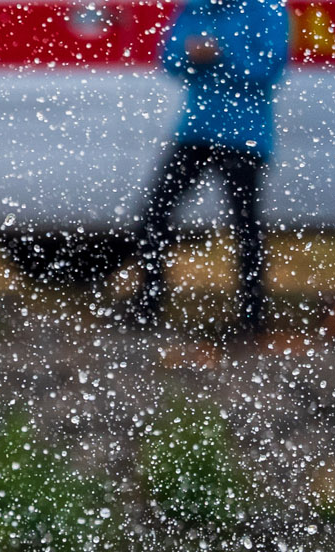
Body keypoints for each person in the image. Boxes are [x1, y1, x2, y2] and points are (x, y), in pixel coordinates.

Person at [130, 0, 289, 338]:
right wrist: (190, 56)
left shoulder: (266, 9)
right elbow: (168, 60)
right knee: (154, 214)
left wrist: (221, 53)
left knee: (245, 226)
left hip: (244, 134)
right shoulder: (195, 8)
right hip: (196, 130)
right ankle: (147, 302)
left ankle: (252, 315)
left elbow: (268, 69)